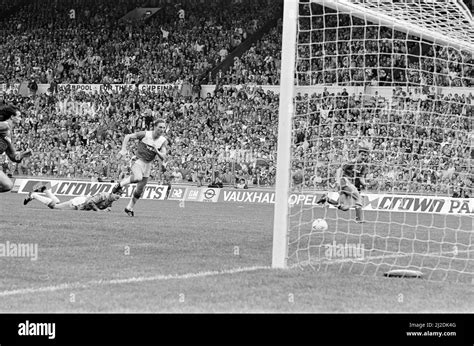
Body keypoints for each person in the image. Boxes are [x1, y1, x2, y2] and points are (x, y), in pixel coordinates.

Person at [112, 119, 168, 216]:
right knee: (138, 177)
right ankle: (120, 184)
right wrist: (123, 149)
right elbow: (128, 136)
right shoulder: (145, 134)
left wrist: (157, 152)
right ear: (154, 127)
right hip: (137, 160)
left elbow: (163, 156)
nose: (162, 129)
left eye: (163, 127)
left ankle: (129, 208)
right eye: (160, 127)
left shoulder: (163, 141)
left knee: (139, 190)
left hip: (148, 165)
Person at [317, 143, 370, 223]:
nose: (363, 157)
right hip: (345, 182)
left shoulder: (363, 166)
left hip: (349, 185)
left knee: (345, 207)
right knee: (358, 198)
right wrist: (338, 181)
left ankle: (327, 199)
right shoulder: (352, 162)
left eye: (365, 155)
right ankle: (359, 220)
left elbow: (361, 177)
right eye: (362, 154)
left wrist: (364, 183)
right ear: (358, 154)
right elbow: (340, 170)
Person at [0, 105, 32, 192]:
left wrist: (23, 154)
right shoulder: (5, 126)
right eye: (19, 116)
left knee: (8, 185)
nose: (20, 119)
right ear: (12, 117)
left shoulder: (9, 133)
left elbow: (13, 156)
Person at [23, 182, 121, 211]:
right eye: (118, 194)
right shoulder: (103, 195)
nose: (119, 196)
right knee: (56, 207)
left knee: (58, 204)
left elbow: (106, 206)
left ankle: (45, 190)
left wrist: (107, 209)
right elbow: (90, 202)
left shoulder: (110, 200)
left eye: (120, 195)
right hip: (80, 203)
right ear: (113, 192)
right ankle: (34, 195)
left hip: (81, 203)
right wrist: (100, 211)